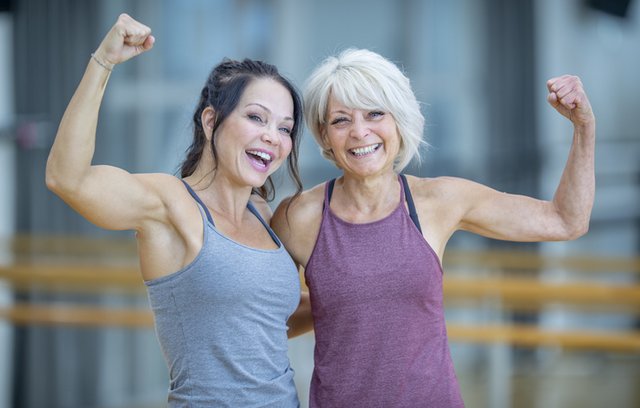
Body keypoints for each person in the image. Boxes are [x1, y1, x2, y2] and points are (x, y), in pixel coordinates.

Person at [272, 48, 595, 407]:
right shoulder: (298, 218)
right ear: (324, 133)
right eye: (341, 120)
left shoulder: (439, 201)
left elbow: (566, 220)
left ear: (399, 120)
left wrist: (584, 128)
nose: (360, 132)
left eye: (375, 113)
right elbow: (263, 316)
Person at [46, 13, 306, 407]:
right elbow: (68, 179)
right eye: (256, 117)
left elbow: (264, 327)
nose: (272, 136)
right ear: (210, 120)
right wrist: (103, 62)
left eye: (285, 128)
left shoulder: (264, 215)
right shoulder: (169, 204)